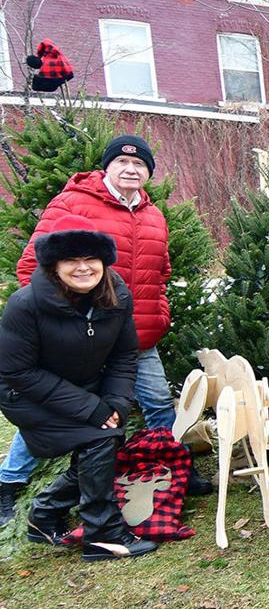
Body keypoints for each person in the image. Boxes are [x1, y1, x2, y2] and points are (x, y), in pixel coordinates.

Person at [1, 134, 210, 528]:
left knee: (158, 402)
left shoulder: (153, 214)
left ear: (148, 172)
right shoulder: (72, 203)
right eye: (122, 163)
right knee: (54, 407)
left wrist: (159, 311)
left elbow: (161, 272)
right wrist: (66, 320)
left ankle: (172, 465)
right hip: (73, 339)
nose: (131, 170)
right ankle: (9, 481)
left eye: (139, 164)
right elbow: (32, 266)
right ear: (107, 167)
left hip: (136, 333)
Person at [0, 216, 157, 560]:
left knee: (108, 435)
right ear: (54, 266)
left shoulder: (117, 296)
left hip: (82, 386)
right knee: (99, 438)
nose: (83, 267)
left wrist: (115, 401)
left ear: (103, 261)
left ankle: (44, 514)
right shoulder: (26, 305)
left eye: (91, 258)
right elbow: (16, 372)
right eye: (71, 259)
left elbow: (124, 354)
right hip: (25, 394)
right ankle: (103, 533)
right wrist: (91, 408)